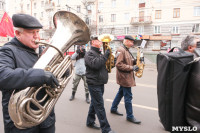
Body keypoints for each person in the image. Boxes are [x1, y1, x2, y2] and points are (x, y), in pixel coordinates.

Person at [0, 13, 59, 133]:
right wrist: (39, 75)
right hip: (21, 123)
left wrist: (61, 68)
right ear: (18, 34)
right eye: (32, 33)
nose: (37, 37)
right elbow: (3, 76)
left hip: (46, 118)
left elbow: (58, 75)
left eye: (38, 32)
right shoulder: (7, 51)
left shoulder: (42, 50)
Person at [85, 35, 115, 133]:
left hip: (100, 82)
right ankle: (106, 129)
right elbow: (96, 65)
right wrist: (106, 56)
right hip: (93, 83)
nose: (101, 41)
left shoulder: (99, 53)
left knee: (94, 103)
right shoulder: (89, 53)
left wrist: (112, 61)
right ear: (93, 42)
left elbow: (104, 66)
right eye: (98, 40)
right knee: (100, 106)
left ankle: (90, 121)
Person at [110, 35, 141, 124]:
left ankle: (113, 108)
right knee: (128, 96)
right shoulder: (121, 50)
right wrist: (132, 67)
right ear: (126, 41)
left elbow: (129, 61)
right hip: (124, 77)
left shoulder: (126, 50)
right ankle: (130, 116)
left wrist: (137, 61)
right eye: (131, 42)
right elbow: (118, 64)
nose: (132, 44)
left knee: (120, 93)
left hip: (126, 76)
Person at [181, 35, 200, 132]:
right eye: (198, 44)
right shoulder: (194, 63)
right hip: (193, 119)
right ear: (190, 48)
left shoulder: (179, 59)